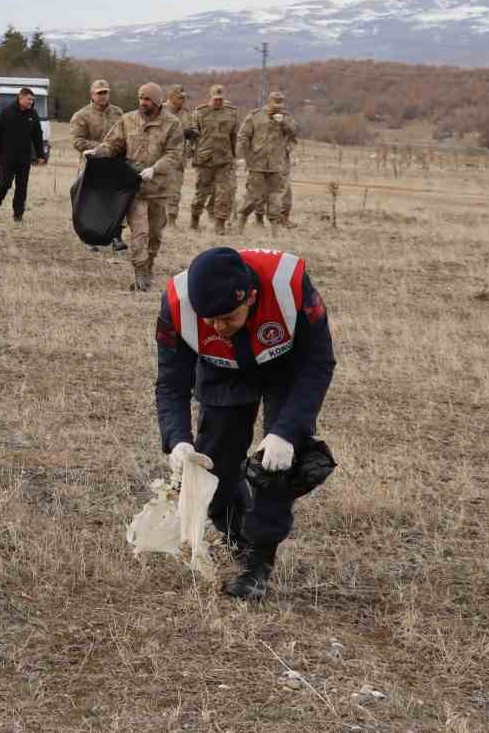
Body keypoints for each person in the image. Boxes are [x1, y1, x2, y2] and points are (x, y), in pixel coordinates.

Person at [156, 246, 336, 600]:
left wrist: (286, 433)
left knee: (275, 466)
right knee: (215, 465)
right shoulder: (177, 305)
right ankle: (236, 535)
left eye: (227, 318)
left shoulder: (291, 286)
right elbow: (171, 381)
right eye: (209, 320)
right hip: (221, 369)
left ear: (251, 297)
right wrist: (177, 438)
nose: (218, 327)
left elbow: (318, 363)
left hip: (287, 366)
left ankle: (258, 559)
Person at [87, 82, 180, 290]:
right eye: (140, 98)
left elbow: (174, 153)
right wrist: (98, 152)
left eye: (147, 99)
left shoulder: (172, 124)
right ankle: (139, 276)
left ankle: (148, 267)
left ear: (156, 101)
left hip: (158, 189)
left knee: (155, 235)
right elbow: (114, 144)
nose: (142, 102)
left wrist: (156, 169)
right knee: (140, 233)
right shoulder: (127, 120)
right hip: (133, 189)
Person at [69, 80, 127, 251]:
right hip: (91, 165)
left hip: (114, 164)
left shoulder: (118, 113)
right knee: (90, 202)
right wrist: (100, 149)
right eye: (99, 93)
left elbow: (125, 135)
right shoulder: (81, 115)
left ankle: (116, 237)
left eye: (105, 92)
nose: (103, 96)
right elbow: (77, 141)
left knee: (115, 201)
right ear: (92, 95)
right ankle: (90, 238)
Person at [237, 91, 298, 229]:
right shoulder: (255, 116)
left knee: (275, 198)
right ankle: (242, 222)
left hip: (277, 165)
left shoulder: (286, 118)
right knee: (253, 196)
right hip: (257, 163)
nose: (277, 107)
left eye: (280, 104)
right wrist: (242, 156)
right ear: (269, 101)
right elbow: (243, 136)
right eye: (275, 104)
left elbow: (294, 135)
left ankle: (275, 229)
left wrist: (283, 123)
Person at [0, 86, 46, 223]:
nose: (31, 102)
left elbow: (37, 136)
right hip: (6, 157)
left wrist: (40, 154)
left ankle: (18, 215)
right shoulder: (6, 113)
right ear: (20, 98)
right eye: (29, 99)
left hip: (24, 158)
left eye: (32, 100)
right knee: (5, 183)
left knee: (22, 187)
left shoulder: (33, 115)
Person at [190, 84, 240, 234]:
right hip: (205, 159)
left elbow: (234, 136)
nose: (218, 101)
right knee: (201, 193)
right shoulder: (200, 112)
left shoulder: (231, 113)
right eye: (216, 99)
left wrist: (235, 156)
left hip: (224, 159)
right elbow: (193, 132)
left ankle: (220, 224)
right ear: (211, 97)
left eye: (221, 99)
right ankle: (195, 219)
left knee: (224, 193)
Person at [163, 84, 197, 229]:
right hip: (159, 157)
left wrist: (192, 133)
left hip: (178, 160)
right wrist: (180, 133)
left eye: (184, 98)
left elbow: (194, 130)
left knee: (175, 192)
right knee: (155, 191)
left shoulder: (186, 113)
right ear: (170, 98)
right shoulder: (159, 111)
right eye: (179, 98)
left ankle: (171, 221)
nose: (183, 100)